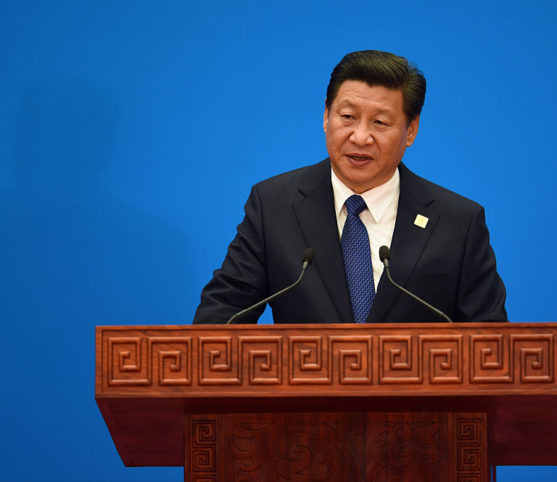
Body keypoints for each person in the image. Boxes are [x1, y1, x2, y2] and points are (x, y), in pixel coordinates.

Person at [193, 50, 507, 324]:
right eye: (347, 116)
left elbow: (491, 342)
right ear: (326, 116)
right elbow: (221, 316)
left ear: (410, 131)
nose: (360, 137)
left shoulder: (458, 222)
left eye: (380, 123)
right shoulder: (274, 205)